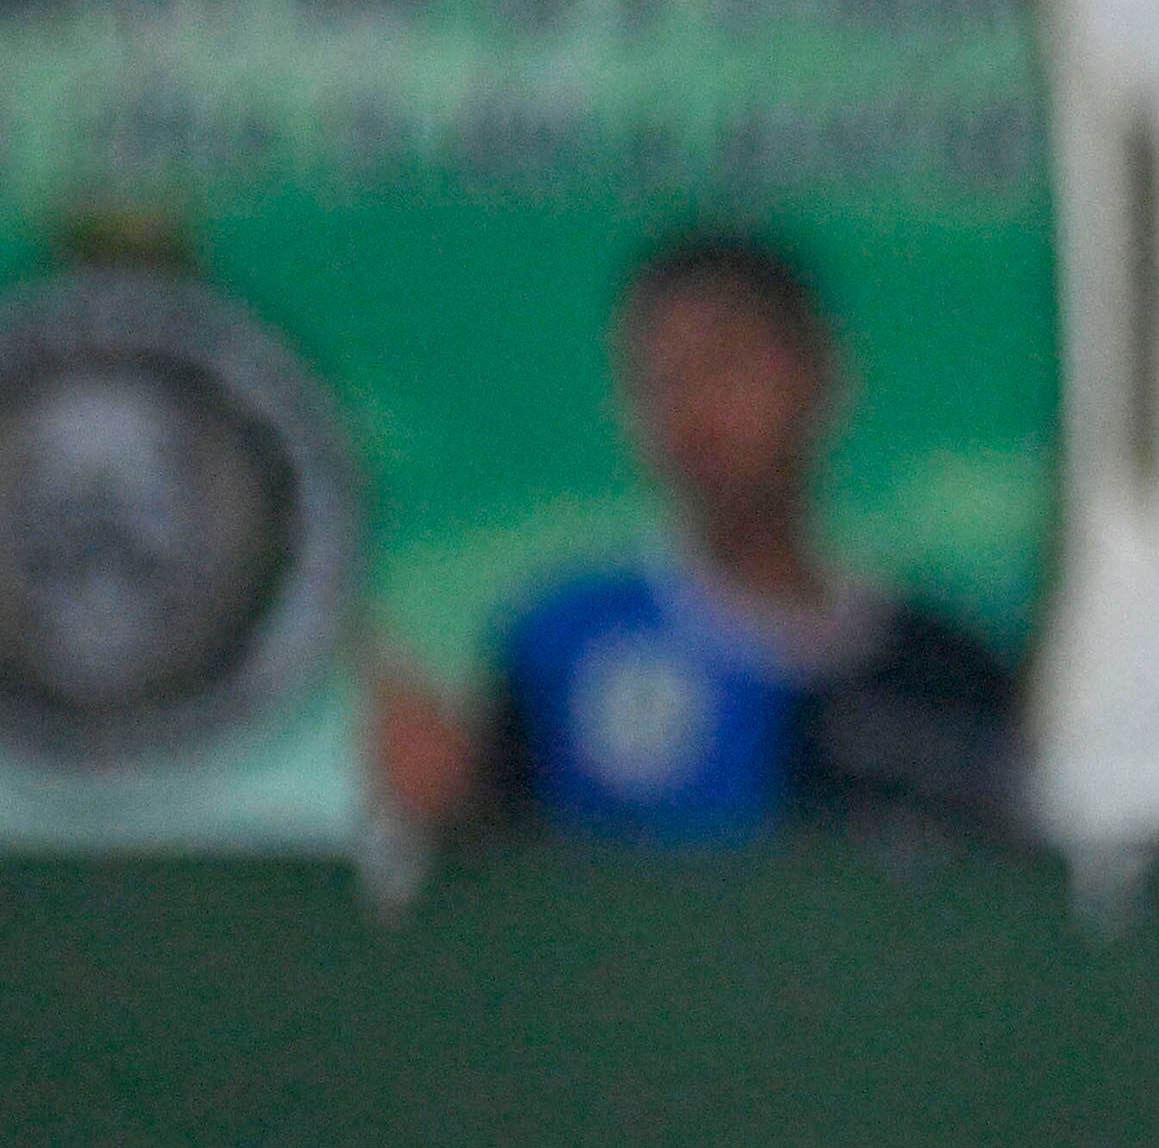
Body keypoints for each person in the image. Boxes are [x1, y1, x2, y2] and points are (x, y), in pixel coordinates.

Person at [413, 233, 1022, 847]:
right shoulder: (561, 646)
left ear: (821, 373)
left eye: (725, 363)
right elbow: (487, 869)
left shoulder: (951, 675)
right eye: (661, 381)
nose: (696, 411)